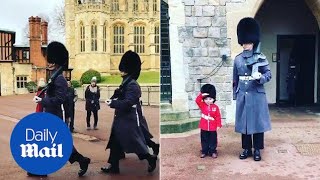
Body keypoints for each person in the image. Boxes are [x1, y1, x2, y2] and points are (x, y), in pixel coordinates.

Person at [33, 41, 91, 176]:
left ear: (56, 62)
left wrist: (42, 100)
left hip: (56, 116)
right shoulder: (53, 77)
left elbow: (59, 100)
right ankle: (81, 160)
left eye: (52, 61)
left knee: (55, 143)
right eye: (49, 61)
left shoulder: (60, 79)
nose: (49, 63)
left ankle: (81, 160)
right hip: (49, 115)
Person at [101, 50, 157, 174]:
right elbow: (121, 97)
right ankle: (114, 166)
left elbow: (127, 103)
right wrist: (114, 97)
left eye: (124, 68)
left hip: (128, 121)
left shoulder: (133, 85)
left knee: (134, 143)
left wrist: (113, 103)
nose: (122, 71)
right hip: (121, 119)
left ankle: (150, 158)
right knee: (115, 143)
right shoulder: (126, 83)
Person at [233, 17, 272, 161]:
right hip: (243, 94)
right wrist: (235, 95)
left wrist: (260, 77)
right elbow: (235, 80)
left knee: (257, 123)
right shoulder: (237, 59)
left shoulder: (260, 57)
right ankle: (246, 149)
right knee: (244, 124)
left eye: (248, 42)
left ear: (253, 41)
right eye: (243, 42)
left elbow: (269, 74)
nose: (245, 44)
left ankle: (257, 150)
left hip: (257, 94)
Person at [195, 84, 221, 159]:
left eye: (210, 99)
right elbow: (197, 100)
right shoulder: (202, 105)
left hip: (212, 127)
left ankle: (213, 151)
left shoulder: (215, 107)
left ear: (213, 99)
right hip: (204, 126)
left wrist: (218, 125)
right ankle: (204, 151)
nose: (208, 101)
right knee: (204, 139)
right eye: (206, 99)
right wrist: (202, 94)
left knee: (213, 140)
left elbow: (218, 116)